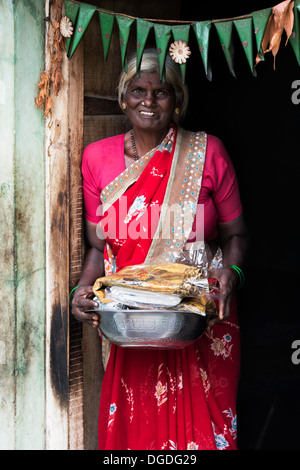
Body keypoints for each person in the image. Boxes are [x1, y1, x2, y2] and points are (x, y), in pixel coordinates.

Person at [71, 49, 248, 450]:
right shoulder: (96, 159)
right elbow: (99, 248)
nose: (148, 101)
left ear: (179, 101)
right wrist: (80, 290)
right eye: (138, 90)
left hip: (202, 318)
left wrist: (232, 274)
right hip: (134, 324)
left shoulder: (209, 153)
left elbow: (237, 235)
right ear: (122, 98)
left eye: (162, 92)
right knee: (139, 437)